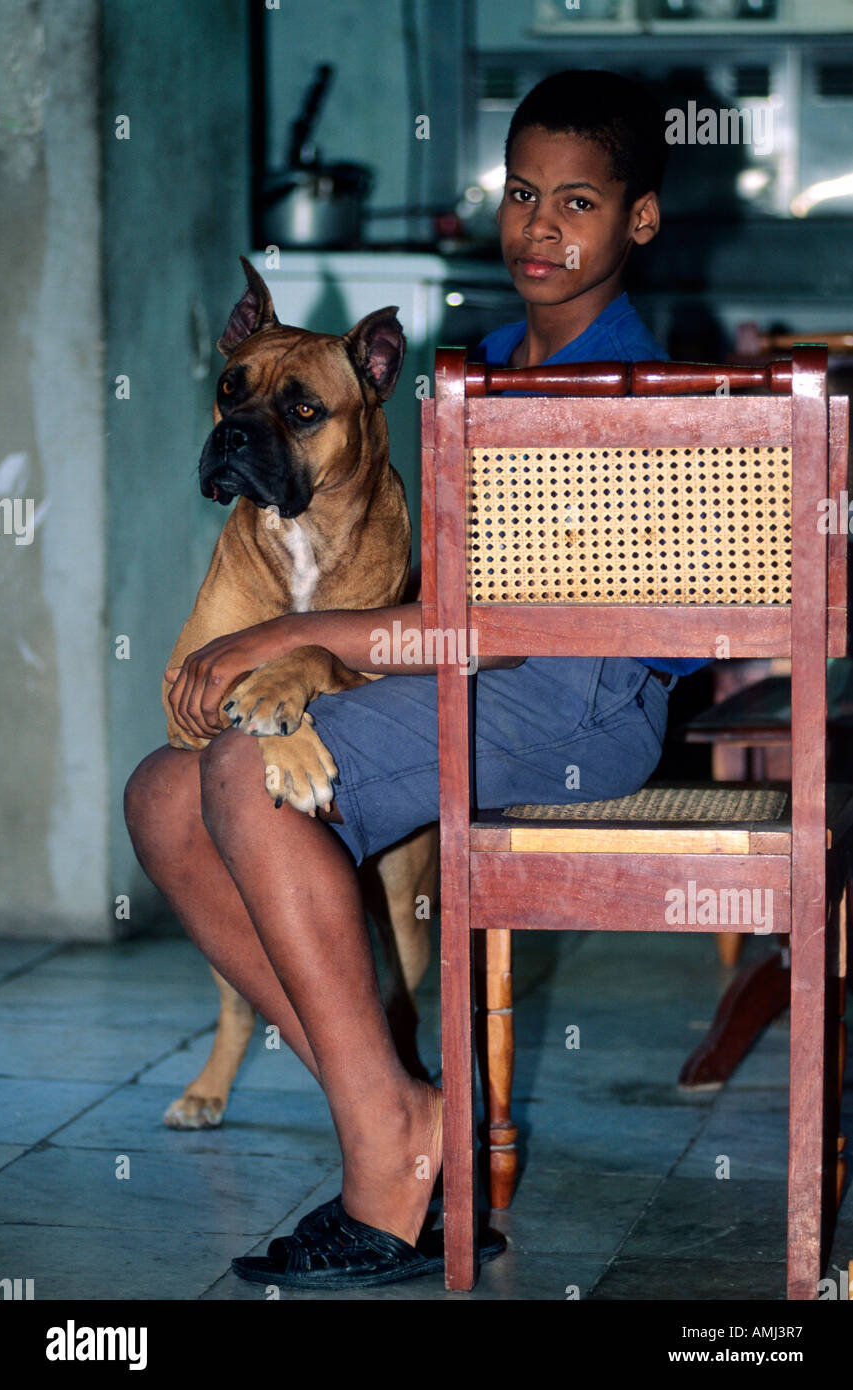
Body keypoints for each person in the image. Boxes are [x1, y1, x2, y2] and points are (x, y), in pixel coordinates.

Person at [124, 68, 710, 1290]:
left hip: (576, 704)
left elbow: (488, 626)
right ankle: (395, 1104)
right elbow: (432, 604)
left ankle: (386, 1167)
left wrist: (261, 650)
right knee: (162, 795)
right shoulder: (484, 364)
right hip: (480, 675)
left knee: (246, 772)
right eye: (518, 194)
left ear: (637, 222)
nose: (538, 226)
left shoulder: (615, 384)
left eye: (578, 201)